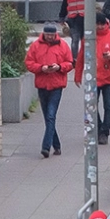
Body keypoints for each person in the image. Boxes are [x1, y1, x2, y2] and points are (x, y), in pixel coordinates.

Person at [26, 22, 74, 159]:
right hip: (42, 85)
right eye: (47, 34)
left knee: (51, 115)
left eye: (52, 35)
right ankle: (57, 146)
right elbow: (29, 62)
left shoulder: (63, 46)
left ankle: (46, 147)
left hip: (56, 85)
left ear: (55, 34)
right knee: (48, 117)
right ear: (44, 34)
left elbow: (70, 63)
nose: (50, 37)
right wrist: (41, 68)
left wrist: (59, 67)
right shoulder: (35, 46)